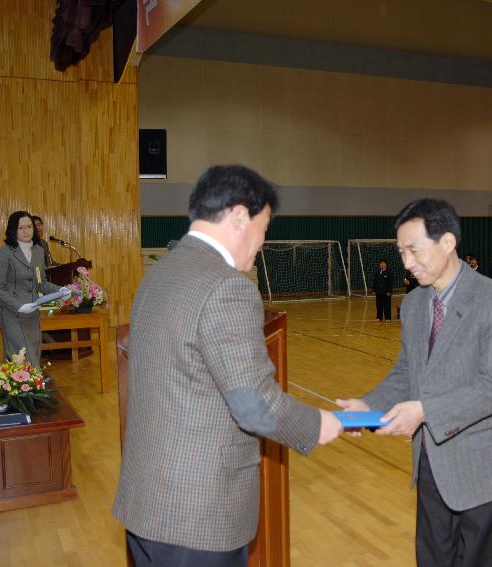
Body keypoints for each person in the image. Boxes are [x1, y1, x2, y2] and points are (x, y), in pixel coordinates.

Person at [112, 165, 343, 567]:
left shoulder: (160, 273)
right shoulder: (226, 287)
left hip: (147, 504)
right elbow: (254, 406)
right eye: (264, 226)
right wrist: (319, 424)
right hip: (198, 517)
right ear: (239, 216)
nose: (263, 241)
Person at [337, 198, 492, 566]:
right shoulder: (412, 305)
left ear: (448, 242)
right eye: (401, 252)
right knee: (433, 557)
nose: (407, 262)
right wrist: (369, 405)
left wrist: (424, 410)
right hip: (432, 458)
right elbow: (408, 371)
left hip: (484, 463)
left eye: (414, 250)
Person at [0, 212, 67, 366]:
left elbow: (42, 283)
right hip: (13, 315)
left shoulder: (39, 251)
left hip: (33, 315)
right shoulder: (5, 253)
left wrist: (61, 291)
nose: (26, 231)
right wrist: (19, 306)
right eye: (21, 228)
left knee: (32, 358)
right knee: (25, 362)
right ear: (13, 230)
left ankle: (25, 389)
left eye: (29, 227)